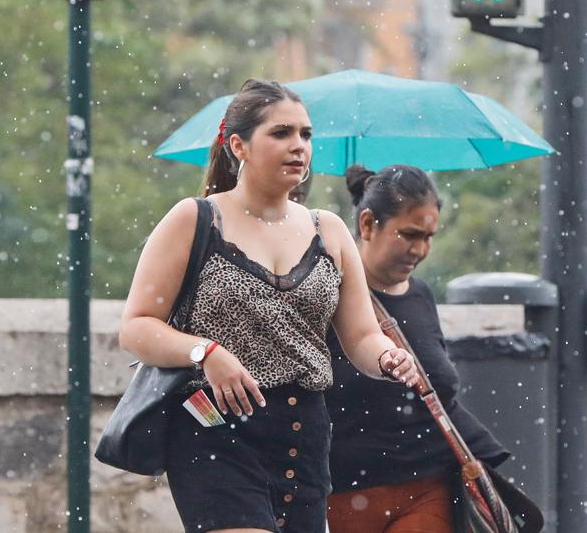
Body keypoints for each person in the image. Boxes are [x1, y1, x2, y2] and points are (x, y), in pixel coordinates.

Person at [119, 79, 419, 533]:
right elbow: (136, 328)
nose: (298, 146)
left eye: (306, 135)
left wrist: (387, 357)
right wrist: (206, 352)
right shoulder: (195, 219)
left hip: (304, 432)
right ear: (238, 145)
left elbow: (360, 335)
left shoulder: (330, 230)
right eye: (281, 133)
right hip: (215, 425)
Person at [324, 164, 510, 532]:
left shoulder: (421, 296)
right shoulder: (326, 295)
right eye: (409, 234)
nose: (420, 250)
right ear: (367, 225)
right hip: (343, 490)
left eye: (428, 237)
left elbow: (439, 387)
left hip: (428, 485)